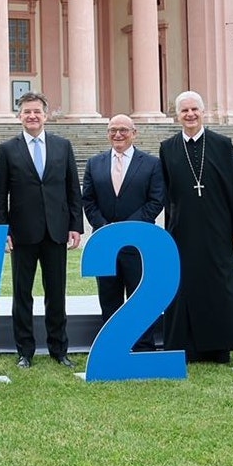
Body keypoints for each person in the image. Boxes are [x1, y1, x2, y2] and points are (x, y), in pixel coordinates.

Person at [0, 91, 83, 368]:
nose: (32, 116)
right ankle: (25, 351)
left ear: (46, 115)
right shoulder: (7, 149)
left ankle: (59, 349)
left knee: (56, 293)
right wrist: (2, 231)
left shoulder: (62, 146)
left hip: (56, 231)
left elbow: (72, 188)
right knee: (22, 294)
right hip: (22, 234)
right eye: (27, 112)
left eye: (36, 112)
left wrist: (75, 226)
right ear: (19, 116)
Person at [159, 91, 233, 364]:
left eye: (194, 110)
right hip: (182, 230)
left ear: (203, 112)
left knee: (218, 285)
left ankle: (219, 347)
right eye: (184, 110)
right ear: (177, 115)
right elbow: (167, 195)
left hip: (218, 228)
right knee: (184, 286)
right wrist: (168, 231)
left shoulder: (222, 144)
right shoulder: (168, 147)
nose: (190, 115)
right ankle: (185, 346)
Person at [81, 114, 164, 351]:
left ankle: (143, 346)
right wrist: (106, 229)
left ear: (134, 133)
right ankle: (113, 346)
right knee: (109, 297)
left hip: (138, 244)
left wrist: (127, 229)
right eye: (113, 130)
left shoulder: (151, 164)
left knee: (140, 297)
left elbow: (156, 201)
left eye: (123, 130)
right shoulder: (94, 163)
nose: (118, 134)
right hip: (105, 242)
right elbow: (88, 200)